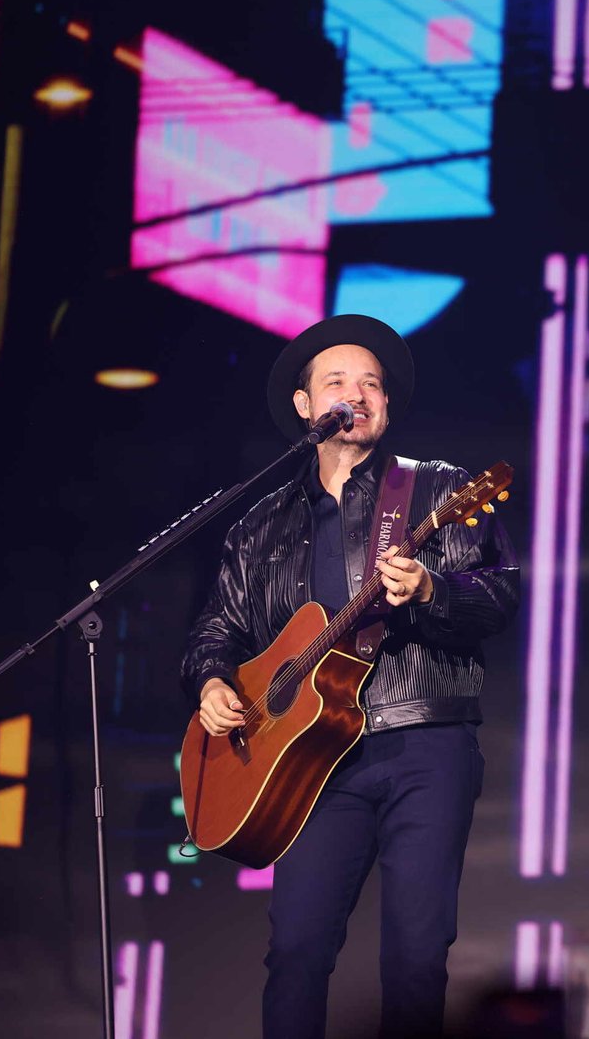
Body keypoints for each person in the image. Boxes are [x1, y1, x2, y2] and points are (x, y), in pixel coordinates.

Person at [182, 313, 519, 1039]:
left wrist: (431, 591)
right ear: (305, 405)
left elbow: (499, 596)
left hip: (424, 740)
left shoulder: (439, 489)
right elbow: (218, 628)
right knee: (296, 953)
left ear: (387, 405)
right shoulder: (261, 524)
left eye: (371, 383)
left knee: (416, 957)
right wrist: (212, 682)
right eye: (337, 381)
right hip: (308, 762)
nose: (357, 394)